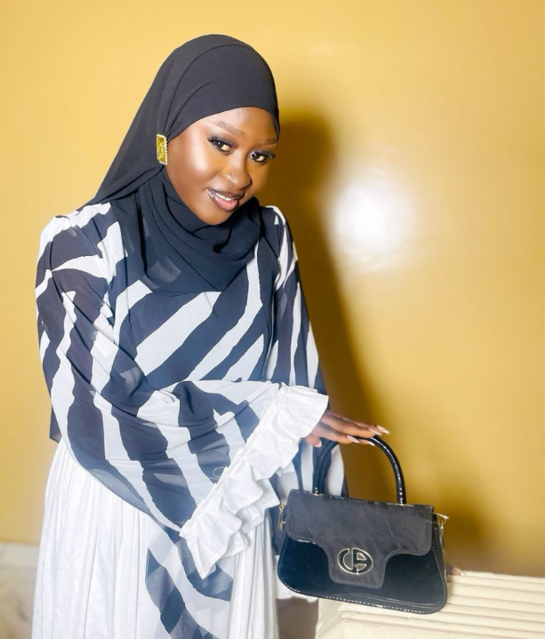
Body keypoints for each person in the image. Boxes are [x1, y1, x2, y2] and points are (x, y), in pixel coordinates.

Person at [31, 34, 384, 639]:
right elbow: (95, 415)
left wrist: (354, 555)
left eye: (261, 155)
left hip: (230, 512)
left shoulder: (270, 238)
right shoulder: (82, 244)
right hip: (120, 508)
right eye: (221, 143)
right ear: (165, 134)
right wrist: (269, 413)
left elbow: (296, 385)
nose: (240, 174)